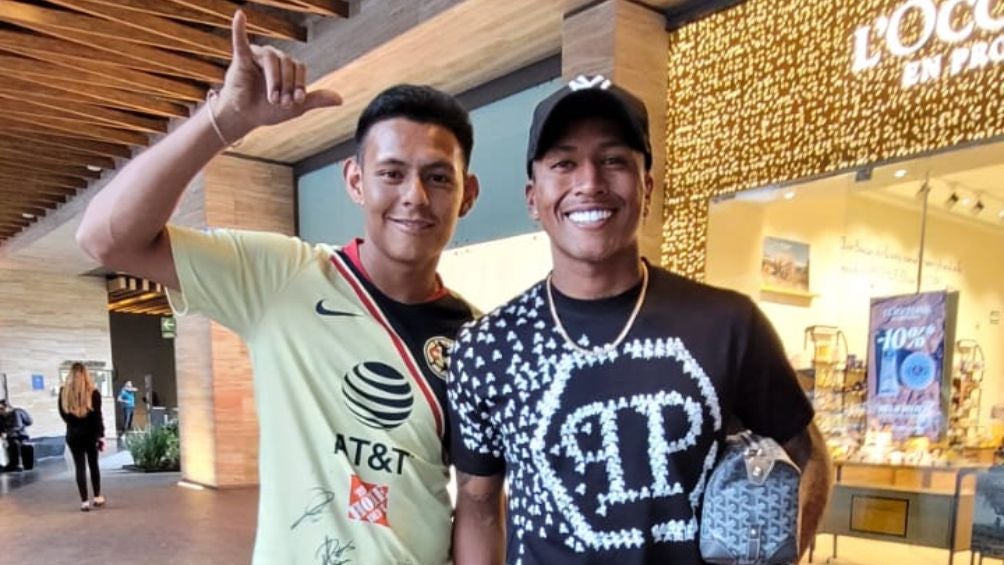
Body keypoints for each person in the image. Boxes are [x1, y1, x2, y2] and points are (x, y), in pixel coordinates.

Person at [76, 10, 479, 564]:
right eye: (391, 173)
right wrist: (222, 121)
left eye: (437, 177)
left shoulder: (477, 337)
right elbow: (104, 239)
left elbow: (478, 502)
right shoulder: (282, 277)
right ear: (355, 181)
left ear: (467, 195)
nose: (414, 195)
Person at [447, 76, 832, 564]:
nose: (590, 182)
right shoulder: (488, 347)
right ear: (532, 197)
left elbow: (809, 453)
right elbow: (479, 505)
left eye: (614, 160)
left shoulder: (727, 324)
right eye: (564, 163)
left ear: (646, 188)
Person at [59, 363, 106, 512]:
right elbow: (97, 417)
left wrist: (74, 423)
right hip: (90, 435)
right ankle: (97, 497)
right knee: (93, 465)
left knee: (79, 467)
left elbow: (63, 415)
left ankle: (84, 502)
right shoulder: (94, 393)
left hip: (73, 435)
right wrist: (101, 435)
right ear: (86, 375)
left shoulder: (64, 393)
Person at [0, 399, 33, 472]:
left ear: (7, 407)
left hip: (20, 436)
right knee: (13, 447)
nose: (1, 411)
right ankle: (16, 464)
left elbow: (20, 425)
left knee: (20, 446)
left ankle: (20, 464)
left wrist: (6, 433)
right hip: (12, 437)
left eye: (2, 409)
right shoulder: (1, 417)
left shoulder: (16, 412)